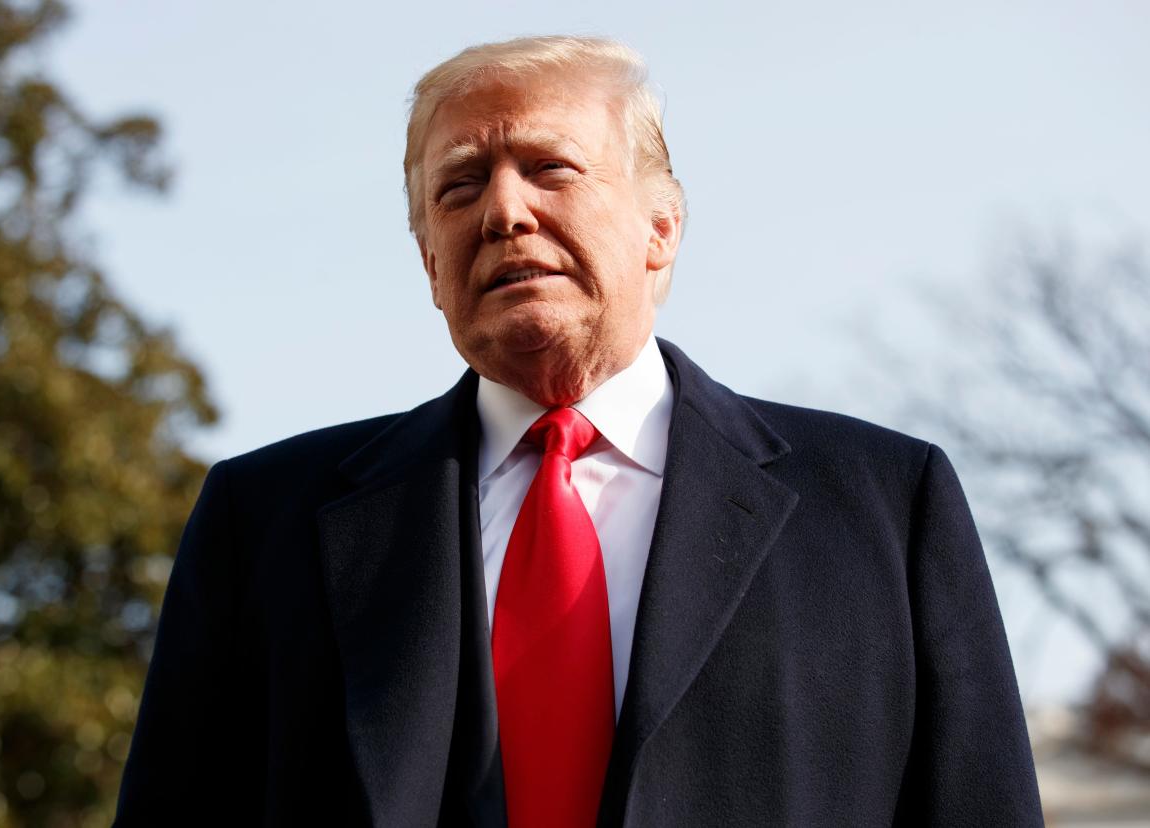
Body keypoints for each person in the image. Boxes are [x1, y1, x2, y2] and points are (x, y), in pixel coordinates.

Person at [114, 36, 1044, 827]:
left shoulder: (885, 505)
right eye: (458, 188)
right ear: (427, 260)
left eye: (550, 167)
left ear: (662, 227)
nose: (504, 212)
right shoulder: (263, 520)